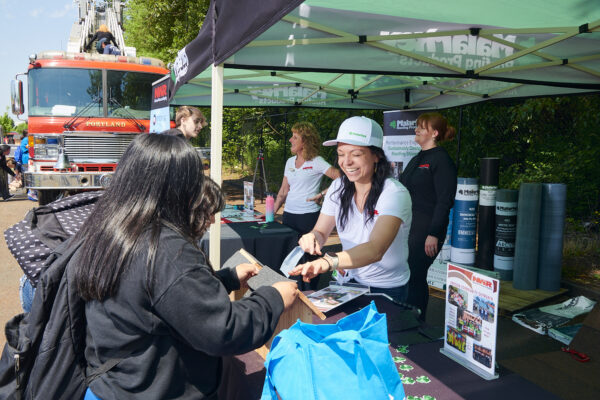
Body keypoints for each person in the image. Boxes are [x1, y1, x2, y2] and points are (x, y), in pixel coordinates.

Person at [71, 134, 298, 399]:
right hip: (151, 389)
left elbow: (164, 298)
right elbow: (223, 330)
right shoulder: (165, 248)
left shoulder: (113, 228)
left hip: (113, 384)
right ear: (176, 187)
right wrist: (274, 297)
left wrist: (226, 278)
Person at [289, 116, 412, 303]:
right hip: (346, 282)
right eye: (341, 153)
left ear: (376, 155)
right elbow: (321, 231)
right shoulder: (338, 186)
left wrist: (328, 262)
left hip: (385, 289)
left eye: (356, 154)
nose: (346, 162)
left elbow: (375, 249)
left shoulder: (394, 193)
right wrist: (312, 237)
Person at [400, 112, 457, 320]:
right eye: (417, 126)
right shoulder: (418, 158)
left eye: (422, 127)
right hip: (409, 226)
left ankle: (416, 322)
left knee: (415, 274)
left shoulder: (441, 160)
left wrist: (433, 233)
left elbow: (445, 200)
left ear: (434, 133)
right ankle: (405, 318)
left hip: (426, 230)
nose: (417, 130)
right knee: (406, 273)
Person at [273, 121, 340, 234]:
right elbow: (283, 191)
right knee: (289, 250)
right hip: (288, 215)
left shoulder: (317, 161)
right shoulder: (290, 162)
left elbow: (343, 178)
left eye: (295, 137)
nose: (290, 140)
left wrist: (323, 194)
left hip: (308, 216)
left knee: (308, 251)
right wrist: (270, 214)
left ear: (305, 142)